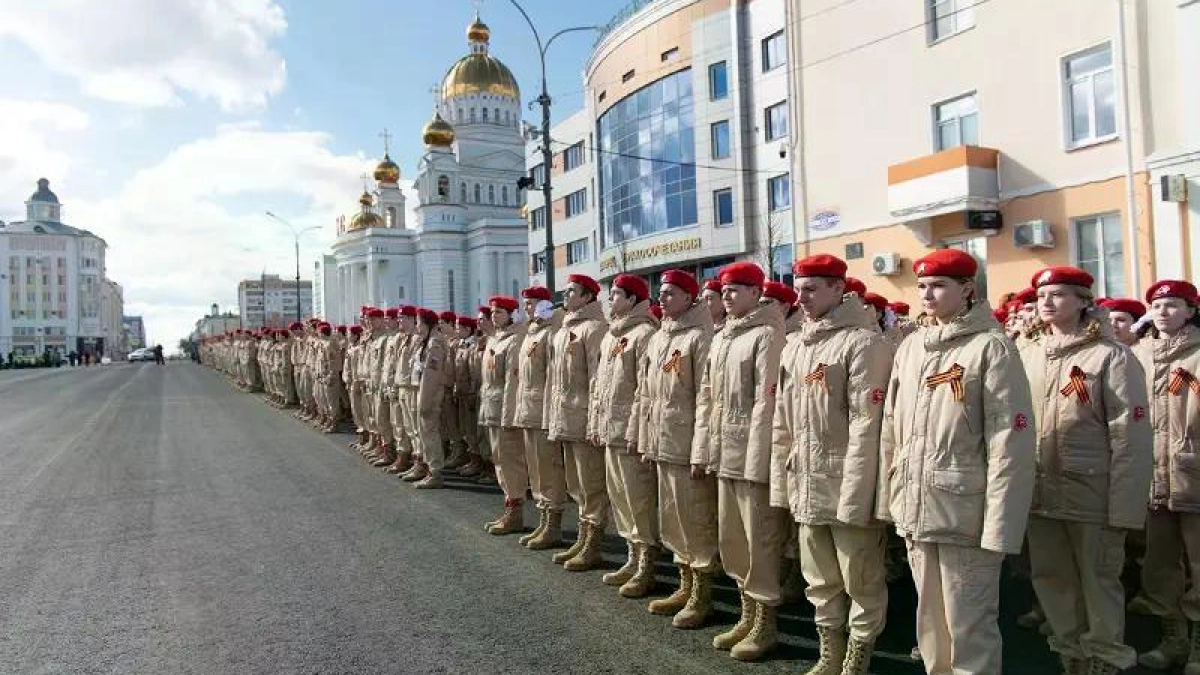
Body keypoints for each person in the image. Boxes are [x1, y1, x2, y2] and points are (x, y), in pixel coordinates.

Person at [877, 248, 1036, 675]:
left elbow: (1010, 443)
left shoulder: (992, 348)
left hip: (967, 510)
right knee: (929, 622)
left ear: (967, 289)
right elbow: (892, 426)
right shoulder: (911, 347)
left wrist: (1001, 525)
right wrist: (889, 497)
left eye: (939, 286)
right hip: (916, 505)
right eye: (923, 286)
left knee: (970, 625)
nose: (927, 294)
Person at [1018, 267, 1152, 675]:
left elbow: (1130, 436)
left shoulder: (1111, 357)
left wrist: (1125, 509)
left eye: (1058, 294)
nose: (1046, 301)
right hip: (1040, 493)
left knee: (1099, 584)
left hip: (1092, 493)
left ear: (1082, 301)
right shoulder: (1026, 356)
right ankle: (1072, 658)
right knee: (1052, 580)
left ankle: (1105, 659)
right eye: (1041, 294)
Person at [771, 254, 893, 675]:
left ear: (840, 289)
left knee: (860, 576)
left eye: (812, 289)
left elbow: (867, 426)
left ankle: (858, 656)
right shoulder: (797, 346)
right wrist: (780, 482)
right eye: (799, 288)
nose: (801, 297)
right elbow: (782, 422)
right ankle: (830, 651)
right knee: (819, 578)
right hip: (806, 478)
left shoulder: (863, 343)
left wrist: (857, 496)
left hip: (845, 482)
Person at [695, 261, 786, 662]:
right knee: (733, 539)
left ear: (755, 293)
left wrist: (755, 463)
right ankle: (746, 614)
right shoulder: (722, 338)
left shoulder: (766, 335)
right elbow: (706, 399)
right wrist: (704, 450)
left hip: (751, 453)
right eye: (724, 291)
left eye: (736, 290)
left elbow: (767, 404)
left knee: (760, 539)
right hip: (724, 449)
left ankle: (765, 622)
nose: (727, 297)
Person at [630, 269, 716, 628]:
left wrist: (700, 450)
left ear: (688, 298)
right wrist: (642, 437)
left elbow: (707, 399)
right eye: (659, 294)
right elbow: (645, 392)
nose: (661, 299)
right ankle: (684, 583)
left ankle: (703, 592)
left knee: (694, 518)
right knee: (673, 517)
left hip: (685, 443)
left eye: (669, 294)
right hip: (662, 440)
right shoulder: (659, 338)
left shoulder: (699, 337)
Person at [1134, 280, 1200, 674]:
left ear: (1191, 311)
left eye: (1173, 305)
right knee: (1158, 565)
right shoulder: (1136, 356)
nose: (1163, 311)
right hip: (1151, 478)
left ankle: (1197, 644)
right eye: (1157, 304)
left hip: (1194, 477)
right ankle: (1172, 637)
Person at [589, 274, 660, 596]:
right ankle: (632, 557)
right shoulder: (610, 336)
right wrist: (595, 424)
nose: (609, 300)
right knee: (620, 498)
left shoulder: (644, 334)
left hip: (629, 432)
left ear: (633, 300)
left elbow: (644, 389)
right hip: (609, 429)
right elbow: (598, 386)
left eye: (616, 295)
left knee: (638, 499)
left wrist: (635, 431)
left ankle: (647, 563)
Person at [545, 274, 609, 570]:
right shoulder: (563, 330)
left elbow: (599, 378)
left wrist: (596, 419)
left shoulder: (594, 329)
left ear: (587, 297)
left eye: (571, 291)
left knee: (591, 483)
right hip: (567, 417)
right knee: (577, 483)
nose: (565, 295)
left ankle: (593, 543)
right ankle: (583, 538)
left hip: (584, 417)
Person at [514, 286, 567, 550]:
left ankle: (554, 523)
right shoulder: (530, 333)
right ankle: (544, 519)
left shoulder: (551, 333)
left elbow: (553, 378)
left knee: (549, 469)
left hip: (543, 412)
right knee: (536, 470)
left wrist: (549, 416)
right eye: (526, 303)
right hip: (529, 411)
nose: (528, 308)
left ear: (545, 305)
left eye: (532, 303)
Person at [479, 295, 528, 534]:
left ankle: (515, 510)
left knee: (510, 462)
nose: (494, 316)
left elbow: (513, 382)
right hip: (491, 407)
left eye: (499, 312)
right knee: (499, 460)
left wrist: (509, 416)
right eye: (493, 313)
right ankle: (509, 504)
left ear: (511, 315)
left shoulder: (515, 340)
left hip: (504, 410)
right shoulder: (494, 339)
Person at [409, 308, 449, 489]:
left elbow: (431, 377)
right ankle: (429, 469)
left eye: (418, 321)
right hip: (424, 392)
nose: (416, 325)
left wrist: (424, 402)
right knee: (425, 433)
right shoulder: (426, 342)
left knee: (430, 433)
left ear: (426, 323)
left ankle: (435, 472)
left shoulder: (435, 344)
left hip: (430, 394)